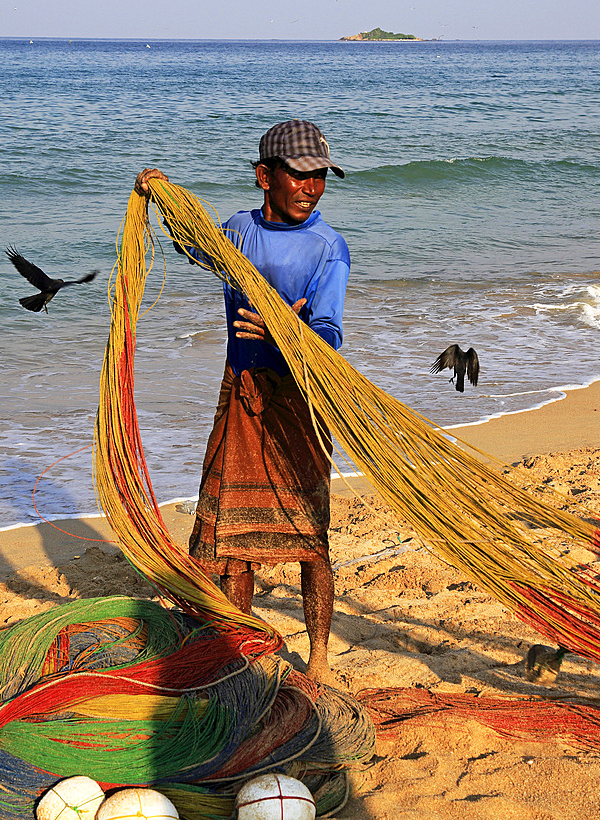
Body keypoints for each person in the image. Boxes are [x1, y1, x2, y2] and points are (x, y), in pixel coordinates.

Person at [135, 120, 350, 683]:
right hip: (241, 394)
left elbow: (329, 332)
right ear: (265, 177)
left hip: (300, 402)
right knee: (232, 540)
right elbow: (196, 244)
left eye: (320, 177)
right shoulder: (237, 232)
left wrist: (290, 328)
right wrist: (161, 194)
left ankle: (321, 656)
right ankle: (241, 648)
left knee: (309, 536)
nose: (311, 187)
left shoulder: (328, 247)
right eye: (300, 176)